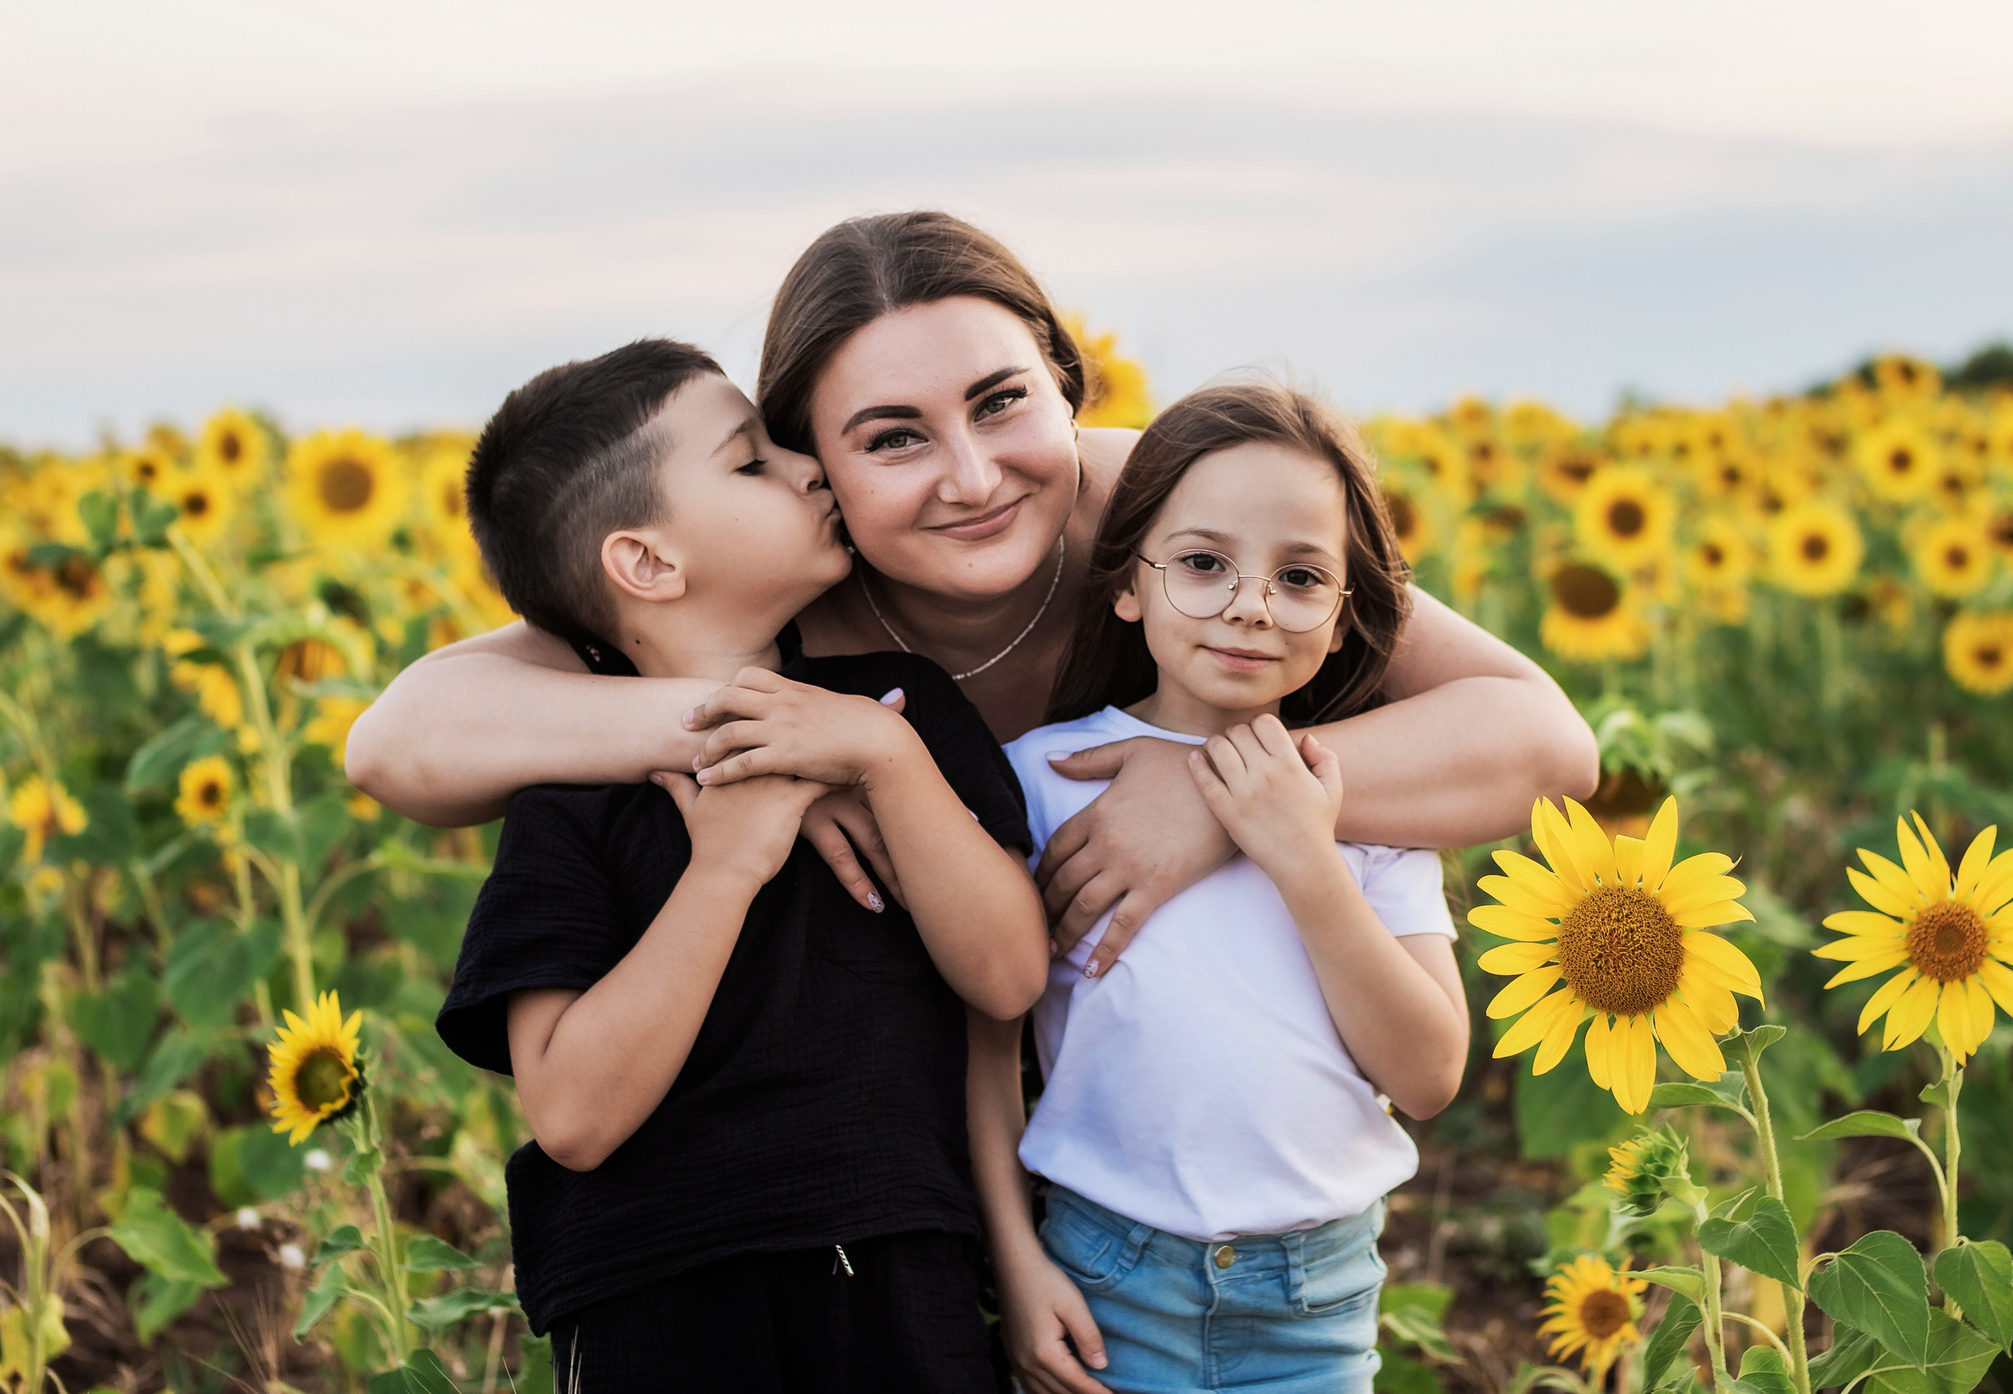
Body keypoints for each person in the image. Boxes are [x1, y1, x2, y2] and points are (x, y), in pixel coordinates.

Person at [349, 212, 1596, 968]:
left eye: (1002, 402)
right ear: (812, 467)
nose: (971, 476)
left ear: (1068, 382)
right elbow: (405, 745)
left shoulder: (1173, 520)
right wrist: (790, 739)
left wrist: (1217, 793)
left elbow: (1543, 740)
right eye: (891, 437)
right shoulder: (778, 582)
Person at [432, 339, 1047, 1393]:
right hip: (655, 1290)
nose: (808, 466)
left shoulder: (903, 708)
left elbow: (1007, 977)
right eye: (752, 462)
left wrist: (886, 760)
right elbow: (572, 1119)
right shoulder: (570, 790)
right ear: (648, 564)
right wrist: (724, 869)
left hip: (898, 1257)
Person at [972, 381, 1470, 1394]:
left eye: (1298, 576)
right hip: (1103, 1279)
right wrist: (1014, 1260)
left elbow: (1426, 1076)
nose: (1249, 603)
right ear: (1125, 584)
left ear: (1341, 620)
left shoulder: (1364, 801)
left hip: (1314, 1301)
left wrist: (1299, 853)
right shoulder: (1042, 781)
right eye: (1203, 564)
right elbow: (981, 1046)